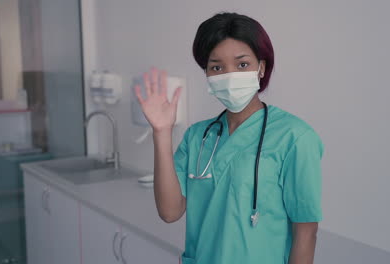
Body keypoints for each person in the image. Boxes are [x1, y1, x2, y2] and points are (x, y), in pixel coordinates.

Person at [134, 12, 324, 264]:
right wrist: (161, 132)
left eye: (242, 64)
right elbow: (170, 212)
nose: (229, 74)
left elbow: (306, 232)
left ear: (261, 67)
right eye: (217, 67)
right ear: (208, 75)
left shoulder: (295, 137)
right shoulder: (197, 136)